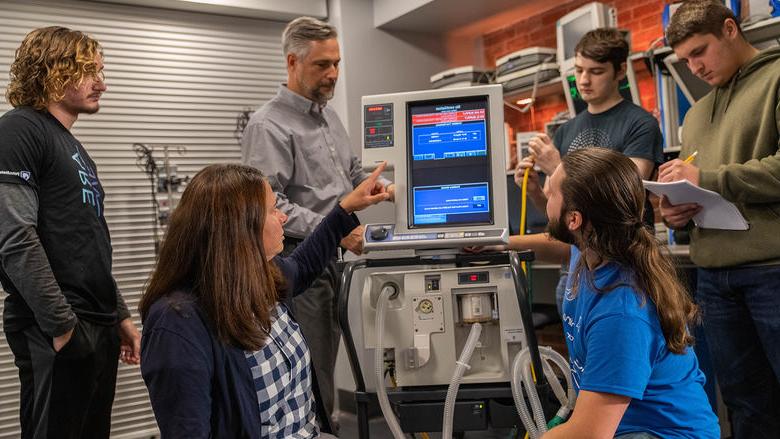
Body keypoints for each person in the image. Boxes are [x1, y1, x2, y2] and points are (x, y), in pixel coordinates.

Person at [139, 163, 389, 438]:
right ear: (238, 227)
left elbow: (303, 264)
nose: (283, 217)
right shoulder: (177, 325)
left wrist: (345, 209)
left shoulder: (257, 277)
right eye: (272, 209)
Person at [240, 16, 393, 421]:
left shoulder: (328, 116)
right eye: (322, 65)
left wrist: (390, 186)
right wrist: (338, 232)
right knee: (309, 368)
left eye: (337, 63)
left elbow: (353, 173)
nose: (333, 74)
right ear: (292, 62)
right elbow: (271, 207)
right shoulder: (268, 125)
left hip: (334, 260)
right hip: (298, 262)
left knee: (325, 361)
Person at [0, 26, 141, 439]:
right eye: (87, 71)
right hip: (57, 326)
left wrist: (121, 318)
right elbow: (14, 237)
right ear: (51, 71)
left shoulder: (72, 146)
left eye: (100, 70)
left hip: (96, 324)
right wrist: (63, 328)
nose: (103, 83)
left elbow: (87, 244)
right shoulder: (19, 130)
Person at [660, 1, 780, 436]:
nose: (694, 67)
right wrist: (677, 213)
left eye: (700, 51)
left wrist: (708, 178)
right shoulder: (694, 115)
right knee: (743, 403)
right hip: (714, 277)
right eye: (686, 59)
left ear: (730, 29)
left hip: (772, 270)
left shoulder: (776, 78)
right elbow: (703, 190)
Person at [541, 148, 719, 439]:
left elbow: (589, 433)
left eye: (551, 195)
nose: (547, 199)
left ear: (574, 220)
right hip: (624, 427)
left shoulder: (622, 310)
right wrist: (498, 242)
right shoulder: (588, 251)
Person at [496, 28, 664, 311]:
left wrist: (556, 166)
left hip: (623, 269)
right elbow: (557, 213)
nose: (584, 80)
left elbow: (625, 190)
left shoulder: (640, 124)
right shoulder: (567, 130)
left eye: (596, 71)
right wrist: (537, 191)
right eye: (579, 70)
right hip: (574, 268)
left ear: (620, 70)